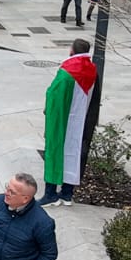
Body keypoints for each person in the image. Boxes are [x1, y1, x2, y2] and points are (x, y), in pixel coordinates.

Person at [42, 39, 97, 207]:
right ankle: (67, 193)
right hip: (80, 121)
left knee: (55, 150)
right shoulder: (92, 70)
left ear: (72, 51)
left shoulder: (66, 72)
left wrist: (47, 110)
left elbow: (53, 95)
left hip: (62, 119)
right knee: (74, 153)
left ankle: (51, 194)